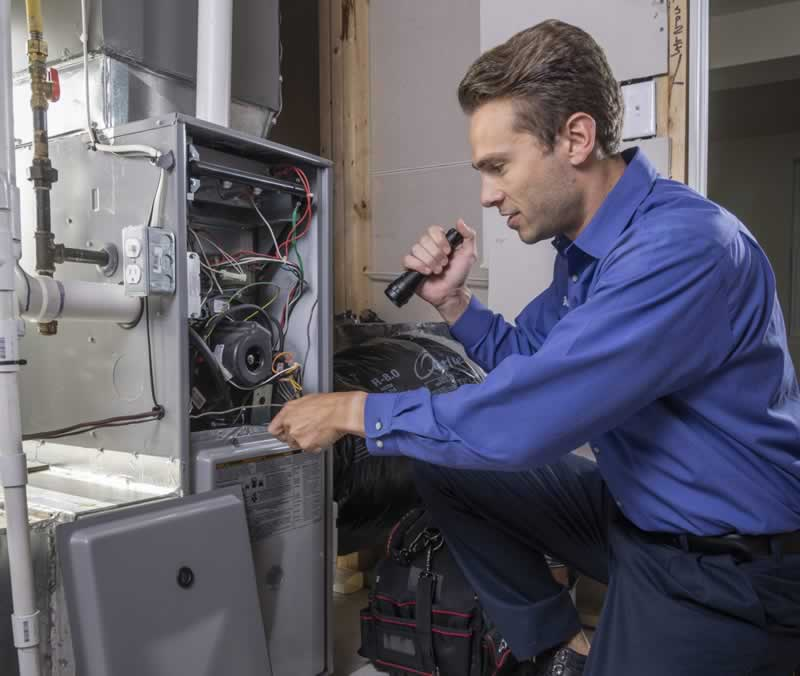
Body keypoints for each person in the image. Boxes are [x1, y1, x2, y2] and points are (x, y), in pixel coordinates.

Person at [269, 19, 800, 675]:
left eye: (498, 166)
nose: (488, 195)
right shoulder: (585, 254)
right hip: (636, 511)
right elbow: (529, 361)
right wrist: (455, 303)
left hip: (724, 565)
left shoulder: (680, 250)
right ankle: (558, 647)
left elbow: (524, 421)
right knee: (446, 467)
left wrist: (353, 410)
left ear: (576, 137)